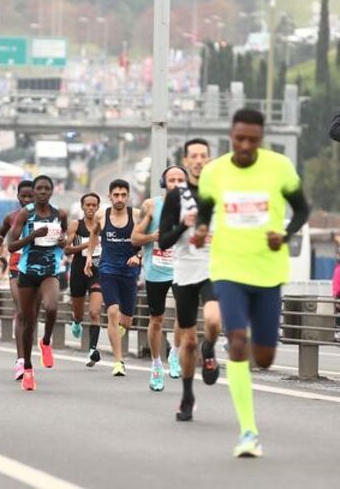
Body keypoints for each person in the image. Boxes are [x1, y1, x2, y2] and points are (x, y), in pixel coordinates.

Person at [193, 108, 310, 457]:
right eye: (239, 139)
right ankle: (248, 432)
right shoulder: (214, 172)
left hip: (268, 272)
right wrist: (201, 229)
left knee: (265, 355)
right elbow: (204, 208)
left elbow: (302, 209)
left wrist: (285, 234)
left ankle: (250, 367)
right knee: (238, 342)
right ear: (231, 136)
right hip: (228, 268)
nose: (245, 145)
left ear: (261, 139)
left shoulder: (279, 167)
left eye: (252, 140)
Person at [159, 138, 223, 422]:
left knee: (212, 320)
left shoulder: (220, 191)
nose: (198, 160)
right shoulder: (177, 197)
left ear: (209, 160)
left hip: (214, 266)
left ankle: (209, 347)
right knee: (187, 342)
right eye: (193, 156)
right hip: (184, 269)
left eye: (203, 156)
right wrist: (183, 225)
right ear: (186, 162)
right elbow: (163, 239)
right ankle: (187, 395)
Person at [6, 175, 67, 391]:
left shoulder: (60, 214)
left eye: (46, 189)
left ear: (51, 191)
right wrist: (32, 236)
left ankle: (47, 342)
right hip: (27, 272)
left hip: (50, 270)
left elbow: (66, 240)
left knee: (51, 307)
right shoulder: (26, 213)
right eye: (38, 189)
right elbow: (11, 246)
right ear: (34, 192)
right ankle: (28, 369)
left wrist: (63, 241)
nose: (42, 192)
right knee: (28, 320)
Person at [132, 166, 188, 392]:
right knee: (157, 319)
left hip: (182, 269)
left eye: (180, 179)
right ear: (164, 183)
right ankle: (156, 364)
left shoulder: (192, 206)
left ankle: (174, 352)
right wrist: (152, 236)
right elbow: (134, 239)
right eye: (171, 179)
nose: (176, 182)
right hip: (156, 270)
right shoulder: (151, 205)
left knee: (185, 316)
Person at [86, 179, 142, 378]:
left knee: (126, 322)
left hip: (129, 272)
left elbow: (144, 240)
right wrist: (89, 257)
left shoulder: (136, 215)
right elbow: (94, 234)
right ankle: (118, 361)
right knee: (112, 312)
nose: (119, 199)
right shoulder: (102, 215)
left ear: (128, 196)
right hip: (108, 270)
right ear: (110, 196)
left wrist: (138, 256)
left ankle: (115, 335)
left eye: (123, 195)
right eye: (116, 195)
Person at [0, 180, 35, 378]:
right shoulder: (10, 217)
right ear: (18, 197)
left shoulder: (46, 216)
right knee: (21, 311)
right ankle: (21, 361)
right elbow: (0, 234)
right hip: (16, 268)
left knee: (31, 315)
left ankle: (27, 355)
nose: (27, 200)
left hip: (37, 269)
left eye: (31, 196)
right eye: (23, 196)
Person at [65, 192, 104, 367]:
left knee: (95, 312)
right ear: (82, 207)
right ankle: (76, 320)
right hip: (78, 271)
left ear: (98, 206)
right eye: (87, 205)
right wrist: (87, 245)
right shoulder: (76, 225)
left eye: (93, 205)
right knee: (79, 312)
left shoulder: (103, 225)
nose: (90, 208)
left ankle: (92, 351)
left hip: (97, 272)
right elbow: (66, 249)